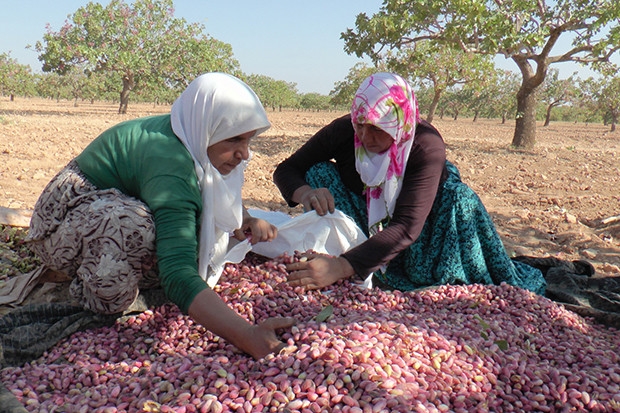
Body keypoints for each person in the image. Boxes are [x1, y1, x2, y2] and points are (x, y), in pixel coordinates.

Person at [26, 72, 295, 360]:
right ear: (207, 128)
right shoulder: (170, 164)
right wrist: (246, 335)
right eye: (235, 140)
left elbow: (217, 189)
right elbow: (177, 272)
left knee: (175, 232)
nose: (244, 154)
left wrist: (245, 218)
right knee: (136, 228)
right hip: (61, 221)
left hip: (110, 204)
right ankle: (94, 292)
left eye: (249, 141)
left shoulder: (194, 136)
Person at [273, 72, 546, 295]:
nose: (366, 138)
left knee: (460, 198)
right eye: (361, 125)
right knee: (319, 173)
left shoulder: (425, 146)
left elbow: (406, 227)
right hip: (364, 216)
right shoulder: (344, 131)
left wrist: (340, 268)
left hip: (424, 227)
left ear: (399, 124)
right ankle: (360, 255)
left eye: (378, 129)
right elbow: (287, 169)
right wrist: (307, 193)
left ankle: (379, 265)